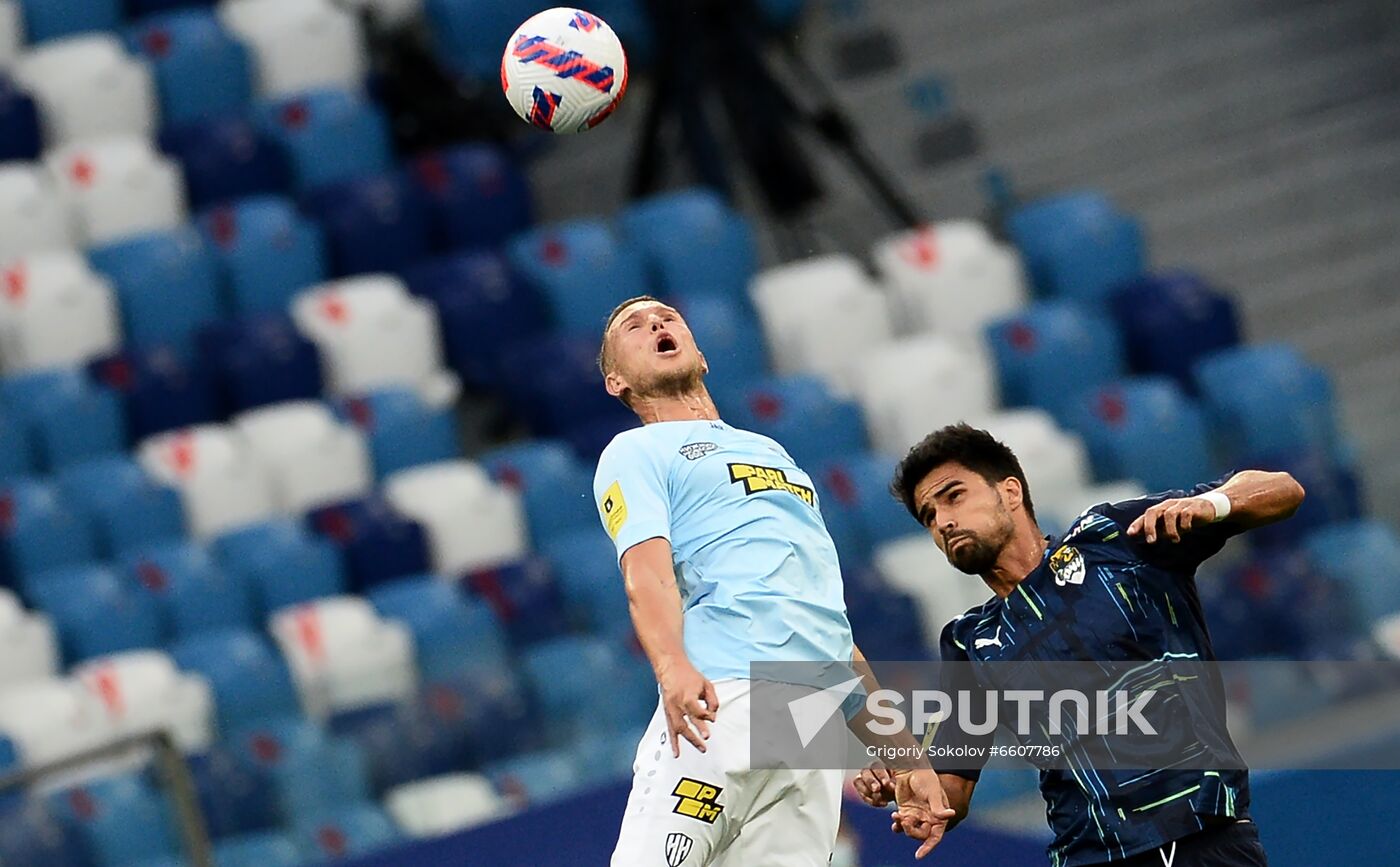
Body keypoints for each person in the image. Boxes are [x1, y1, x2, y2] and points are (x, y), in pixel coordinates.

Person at [593, 296, 954, 866]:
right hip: (723, 702)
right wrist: (672, 668)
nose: (656, 324)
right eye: (633, 327)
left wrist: (904, 755)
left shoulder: (776, 456)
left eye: (667, 316)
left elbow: (825, 627)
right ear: (617, 381)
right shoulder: (634, 452)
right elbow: (646, 572)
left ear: (702, 355)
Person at [854, 423, 1304, 866]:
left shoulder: (1113, 539)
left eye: (954, 496)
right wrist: (912, 788)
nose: (944, 522)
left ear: (1010, 492)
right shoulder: (971, 641)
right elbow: (953, 786)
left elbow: (1281, 488)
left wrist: (1214, 504)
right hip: (1088, 855)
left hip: (1204, 841)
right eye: (929, 515)